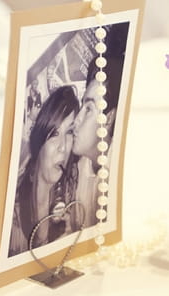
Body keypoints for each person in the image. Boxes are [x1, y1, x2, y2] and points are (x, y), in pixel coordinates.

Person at [8, 85, 80, 257]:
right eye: (55, 133)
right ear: (40, 142)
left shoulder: (73, 188)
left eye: (69, 132)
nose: (63, 147)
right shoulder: (12, 205)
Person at [71, 22, 129, 228]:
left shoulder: (121, 172)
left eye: (88, 109)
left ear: (110, 117)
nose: (75, 122)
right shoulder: (82, 166)